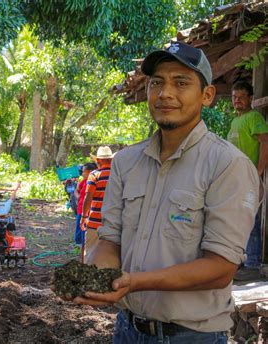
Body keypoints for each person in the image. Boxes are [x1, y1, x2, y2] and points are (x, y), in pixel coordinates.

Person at [74, 42, 259, 343]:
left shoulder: (228, 165)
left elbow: (220, 268)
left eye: (181, 82)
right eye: (156, 83)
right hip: (127, 330)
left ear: (207, 96)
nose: (165, 94)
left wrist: (133, 282)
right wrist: (98, 277)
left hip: (191, 336)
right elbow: (110, 241)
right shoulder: (125, 162)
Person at [227, 81, 268, 280]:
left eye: (241, 97)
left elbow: (265, 141)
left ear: (250, 98)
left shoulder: (254, 117)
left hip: (250, 176)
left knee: (250, 218)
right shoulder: (236, 121)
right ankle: (242, 260)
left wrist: (259, 170)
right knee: (238, 219)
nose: (237, 101)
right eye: (235, 97)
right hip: (236, 178)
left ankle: (252, 264)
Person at [80, 146, 114, 263]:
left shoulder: (94, 175)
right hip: (112, 222)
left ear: (98, 161)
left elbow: (88, 197)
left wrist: (84, 217)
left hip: (95, 222)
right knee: (110, 256)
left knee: (90, 252)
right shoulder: (118, 175)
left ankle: (88, 277)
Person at [74, 163, 97, 251]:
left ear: (90, 172)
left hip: (90, 211)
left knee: (86, 233)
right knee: (79, 231)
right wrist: (78, 197)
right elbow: (77, 191)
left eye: (83, 172)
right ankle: (81, 248)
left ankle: (85, 250)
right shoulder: (83, 181)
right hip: (81, 210)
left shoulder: (95, 182)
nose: (82, 174)